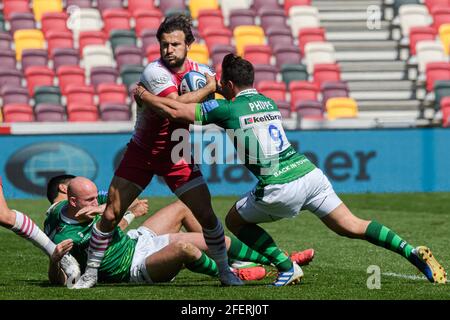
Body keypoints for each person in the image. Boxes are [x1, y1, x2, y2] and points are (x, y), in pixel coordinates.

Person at [132, 53, 448, 286]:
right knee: (351, 225)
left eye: (222, 84)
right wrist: (219, 89)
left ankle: (286, 266)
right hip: (310, 174)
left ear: (227, 84)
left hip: (280, 185)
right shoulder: (269, 102)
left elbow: (177, 110)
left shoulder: (225, 108)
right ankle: (411, 251)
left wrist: (146, 96)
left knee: (233, 220)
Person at [73, 14, 243, 289]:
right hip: (142, 152)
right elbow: (174, 107)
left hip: (177, 151)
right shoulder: (154, 72)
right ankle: (91, 273)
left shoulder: (201, 72)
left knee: (206, 215)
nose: (168, 50)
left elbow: (221, 97)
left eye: (175, 44)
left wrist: (222, 91)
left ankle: (225, 272)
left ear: (189, 44)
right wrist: (209, 88)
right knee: (111, 214)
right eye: (164, 45)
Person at [46, 176, 293, 286]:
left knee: (185, 209)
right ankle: (229, 273)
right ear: (72, 201)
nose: (94, 201)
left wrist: (104, 208)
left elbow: (130, 200)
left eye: (94, 196)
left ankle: (275, 260)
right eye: (88, 200)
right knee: (184, 248)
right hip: (132, 268)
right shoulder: (64, 234)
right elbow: (63, 280)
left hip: (135, 242)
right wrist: (54, 261)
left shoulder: (92, 203)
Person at [0, 175, 80, 281]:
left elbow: (62, 281)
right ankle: (55, 252)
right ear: (63, 188)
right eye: (77, 184)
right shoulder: (63, 209)